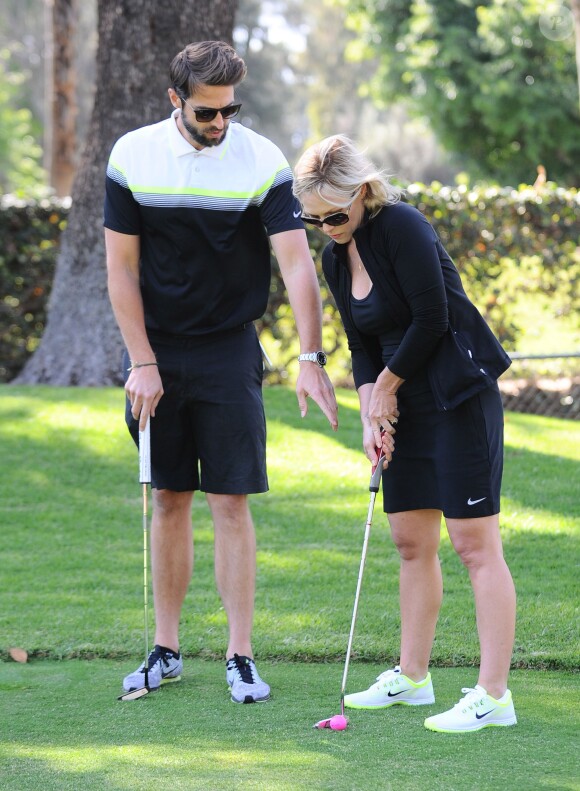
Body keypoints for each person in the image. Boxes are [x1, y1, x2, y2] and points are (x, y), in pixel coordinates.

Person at [104, 41, 338, 704]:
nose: (221, 123)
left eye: (230, 109)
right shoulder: (131, 155)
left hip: (229, 349)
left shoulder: (260, 159)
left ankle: (240, 654)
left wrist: (312, 356)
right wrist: (142, 361)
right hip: (154, 350)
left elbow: (296, 264)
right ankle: (167, 647)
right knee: (170, 497)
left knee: (230, 501)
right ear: (175, 99)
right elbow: (120, 270)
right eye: (208, 111)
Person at [293, 135, 517, 733]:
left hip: (454, 393)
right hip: (399, 398)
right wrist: (373, 412)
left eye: (336, 215)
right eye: (314, 220)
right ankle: (413, 679)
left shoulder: (403, 227)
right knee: (411, 543)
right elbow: (361, 345)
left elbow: (433, 318)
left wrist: (387, 390)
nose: (328, 228)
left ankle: (494, 695)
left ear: (364, 193)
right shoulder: (335, 258)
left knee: (474, 545)